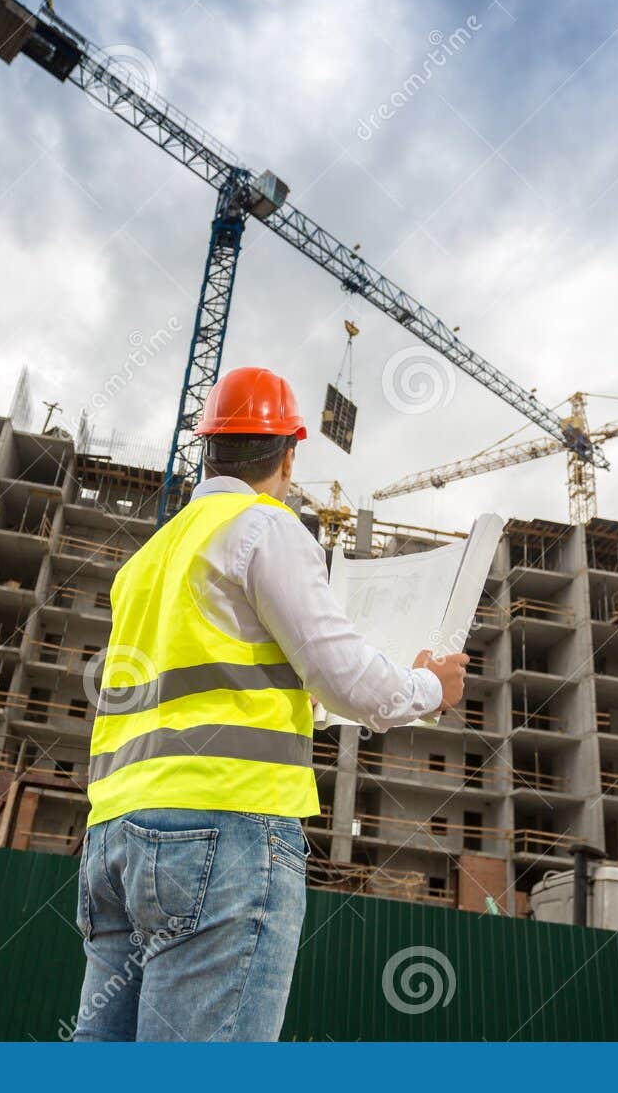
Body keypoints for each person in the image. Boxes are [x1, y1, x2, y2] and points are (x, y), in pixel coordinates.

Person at [70, 366, 468, 1042]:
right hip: (221, 830)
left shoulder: (149, 558)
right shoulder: (264, 527)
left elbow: (207, 686)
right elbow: (345, 676)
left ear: (206, 447)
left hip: (114, 839)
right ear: (289, 454)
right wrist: (430, 687)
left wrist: (305, 704)